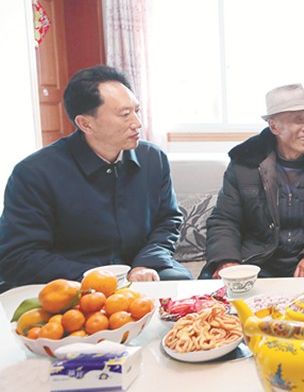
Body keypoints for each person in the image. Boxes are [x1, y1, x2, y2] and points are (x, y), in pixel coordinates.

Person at [0, 65, 192, 291]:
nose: (137, 123)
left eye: (136, 111)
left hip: (139, 268)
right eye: (124, 114)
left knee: (182, 286)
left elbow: (168, 220)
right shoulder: (35, 172)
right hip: (73, 281)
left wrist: (146, 263)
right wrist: (98, 278)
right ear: (85, 124)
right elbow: (19, 254)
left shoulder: (152, 158)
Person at [202, 84, 304, 279]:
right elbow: (225, 219)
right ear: (274, 126)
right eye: (298, 120)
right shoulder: (245, 163)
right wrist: (227, 260)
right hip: (258, 260)